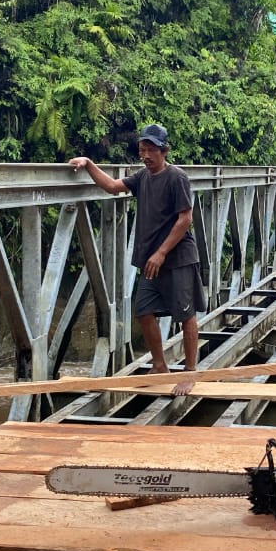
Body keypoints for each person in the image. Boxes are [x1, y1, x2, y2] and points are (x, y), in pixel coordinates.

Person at [69, 124, 205, 397]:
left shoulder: (176, 177)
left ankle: (190, 373)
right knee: (143, 311)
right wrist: (88, 164)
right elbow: (111, 186)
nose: (146, 155)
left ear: (164, 150)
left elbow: (185, 218)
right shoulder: (142, 178)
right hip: (151, 260)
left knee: (185, 315)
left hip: (176, 257)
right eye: (142, 150)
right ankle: (159, 365)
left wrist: (162, 252)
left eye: (151, 150)